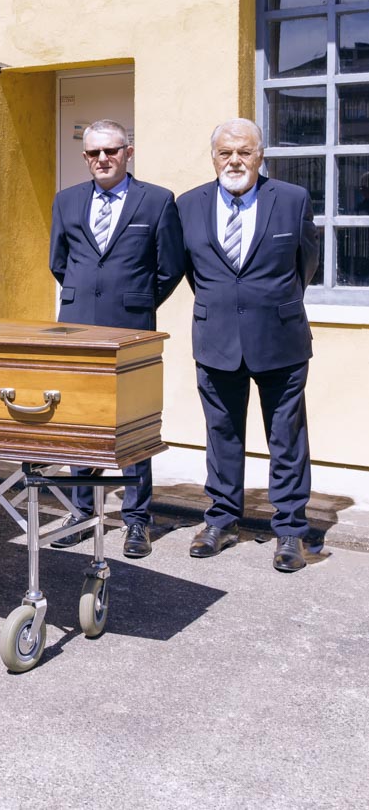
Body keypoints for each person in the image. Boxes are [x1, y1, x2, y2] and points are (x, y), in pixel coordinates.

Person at [176, 117, 320, 573]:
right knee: (221, 434)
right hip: (216, 338)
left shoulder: (292, 199)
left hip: (280, 339)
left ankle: (291, 530)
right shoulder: (189, 205)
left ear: (260, 155)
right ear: (213, 157)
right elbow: (192, 271)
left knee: (286, 437)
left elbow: (306, 264)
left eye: (244, 151)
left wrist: (270, 304)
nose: (234, 160)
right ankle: (221, 520)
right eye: (225, 152)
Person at [48, 119, 185, 557]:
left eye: (111, 150)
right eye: (94, 153)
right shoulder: (67, 200)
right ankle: (82, 511)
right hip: (77, 327)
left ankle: (136, 519)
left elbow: (170, 267)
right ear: (85, 157)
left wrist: (137, 301)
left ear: (128, 152)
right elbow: (58, 261)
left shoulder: (157, 200)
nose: (103, 159)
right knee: (80, 420)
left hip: (131, 328)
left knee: (133, 422)